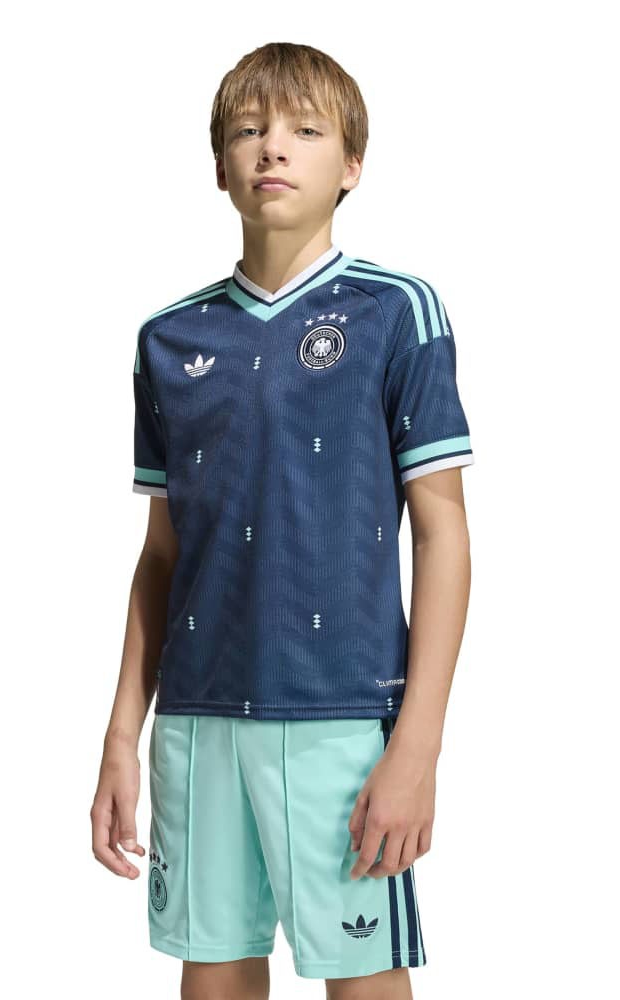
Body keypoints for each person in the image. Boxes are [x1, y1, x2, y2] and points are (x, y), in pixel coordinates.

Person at [91, 41, 474, 1000]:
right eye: (249, 130)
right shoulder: (168, 338)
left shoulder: (397, 313)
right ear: (219, 166)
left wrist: (418, 743)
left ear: (352, 165)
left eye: (305, 130)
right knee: (213, 977)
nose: (273, 147)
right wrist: (121, 737)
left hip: (340, 713)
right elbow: (161, 556)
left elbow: (443, 536)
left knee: (364, 979)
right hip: (197, 719)